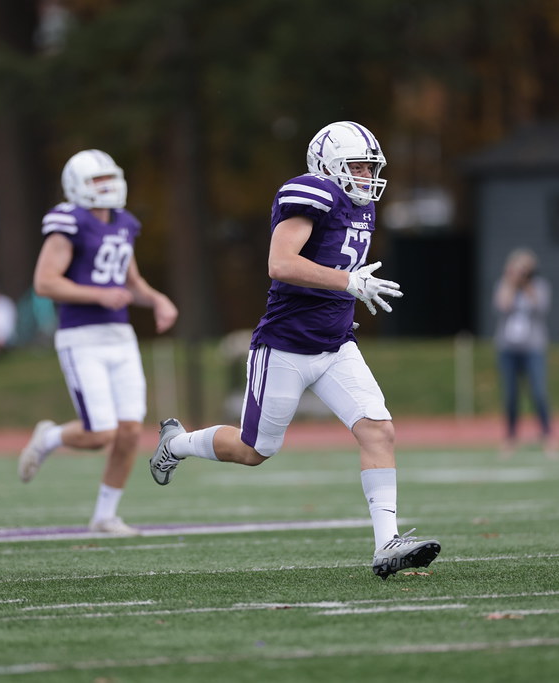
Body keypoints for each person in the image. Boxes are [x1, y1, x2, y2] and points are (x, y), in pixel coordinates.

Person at [149, 121, 441, 580]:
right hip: (284, 347)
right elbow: (281, 264)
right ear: (328, 165)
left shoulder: (362, 208)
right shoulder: (310, 193)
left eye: (370, 167)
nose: (366, 177)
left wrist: (346, 297)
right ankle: (178, 442)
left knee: (378, 431)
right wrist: (349, 281)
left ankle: (387, 543)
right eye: (358, 167)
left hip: (337, 345)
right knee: (255, 449)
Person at [17, 149, 178, 536]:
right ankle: (51, 437)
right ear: (77, 186)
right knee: (101, 432)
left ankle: (105, 515)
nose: (106, 187)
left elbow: (130, 281)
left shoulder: (124, 223)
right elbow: (45, 282)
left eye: (109, 178)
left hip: (120, 336)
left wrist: (156, 299)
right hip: (81, 336)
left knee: (129, 432)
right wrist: (98, 294)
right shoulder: (69, 222)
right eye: (96, 181)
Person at [493, 247, 556, 458]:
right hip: (508, 348)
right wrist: (512, 282)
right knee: (511, 395)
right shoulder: (505, 285)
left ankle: (548, 435)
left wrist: (527, 284)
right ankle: (511, 438)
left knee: (538, 392)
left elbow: (541, 308)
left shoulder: (539, 286)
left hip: (533, 348)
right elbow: (502, 305)